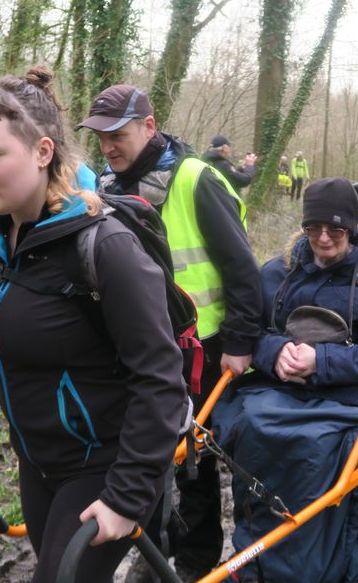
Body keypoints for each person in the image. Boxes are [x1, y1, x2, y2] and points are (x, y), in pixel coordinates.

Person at [0, 67, 188, 583]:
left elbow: (159, 381)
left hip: (107, 467)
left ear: (42, 152)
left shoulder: (105, 248)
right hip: (38, 465)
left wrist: (126, 496)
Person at [76, 84, 262, 580]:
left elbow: (243, 270)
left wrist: (242, 343)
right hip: (131, 346)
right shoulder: (103, 186)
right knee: (141, 453)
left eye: (119, 134)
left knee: (191, 462)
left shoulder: (197, 179)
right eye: (100, 137)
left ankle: (194, 561)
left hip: (200, 350)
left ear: (150, 127)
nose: (109, 145)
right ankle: (153, 547)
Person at [213, 177, 358, 582]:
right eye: (314, 228)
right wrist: (276, 354)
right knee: (248, 426)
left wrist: (319, 361)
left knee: (314, 448)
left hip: (350, 398)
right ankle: (254, 561)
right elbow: (253, 331)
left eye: (336, 230)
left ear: (352, 230)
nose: (324, 238)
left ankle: (309, 569)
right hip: (280, 389)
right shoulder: (278, 272)